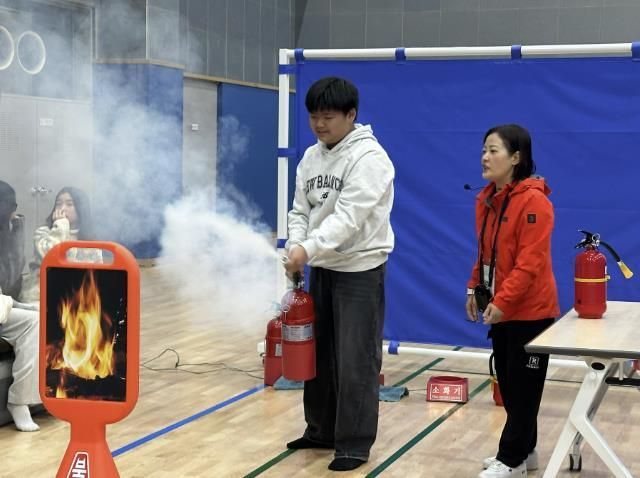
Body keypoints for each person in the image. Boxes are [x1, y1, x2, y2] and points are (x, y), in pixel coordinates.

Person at [283, 77, 395, 472]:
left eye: (328, 117)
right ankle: (321, 430)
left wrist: (307, 249)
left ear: (351, 115)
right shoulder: (310, 158)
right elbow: (300, 211)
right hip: (322, 268)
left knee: (356, 359)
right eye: (313, 116)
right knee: (319, 354)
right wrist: (295, 245)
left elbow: (349, 218)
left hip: (359, 270)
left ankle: (354, 443)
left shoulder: (370, 159)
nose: (319, 124)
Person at [465, 125, 559, 478]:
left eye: (493, 150)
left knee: (523, 390)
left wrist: (503, 300)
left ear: (516, 157)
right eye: (483, 150)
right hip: (502, 311)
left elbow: (529, 263)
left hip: (531, 313)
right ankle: (526, 451)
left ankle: (511, 458)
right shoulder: (487, 199)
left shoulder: (535, 203)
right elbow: (485, 253)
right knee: (508, 384)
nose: (485, 158)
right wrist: (473, 289)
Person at [0, 180, 40, 431]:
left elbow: (10, 281)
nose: (16, 214)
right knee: (32, 317)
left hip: (2, 305)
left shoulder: (7, 232)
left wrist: (14, 237)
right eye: (12, 208)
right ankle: (20, 401)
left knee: (37, 317)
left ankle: (21, 400)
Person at [21, 186, 100, 303]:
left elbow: (94, 277)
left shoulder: (89, 240)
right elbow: (50, 256)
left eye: (69, 204)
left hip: (73, 300)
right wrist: (61, 226)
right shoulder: (43, 233)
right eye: (58, 204)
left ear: (81, 208)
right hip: (40, 296)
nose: (62, 208)